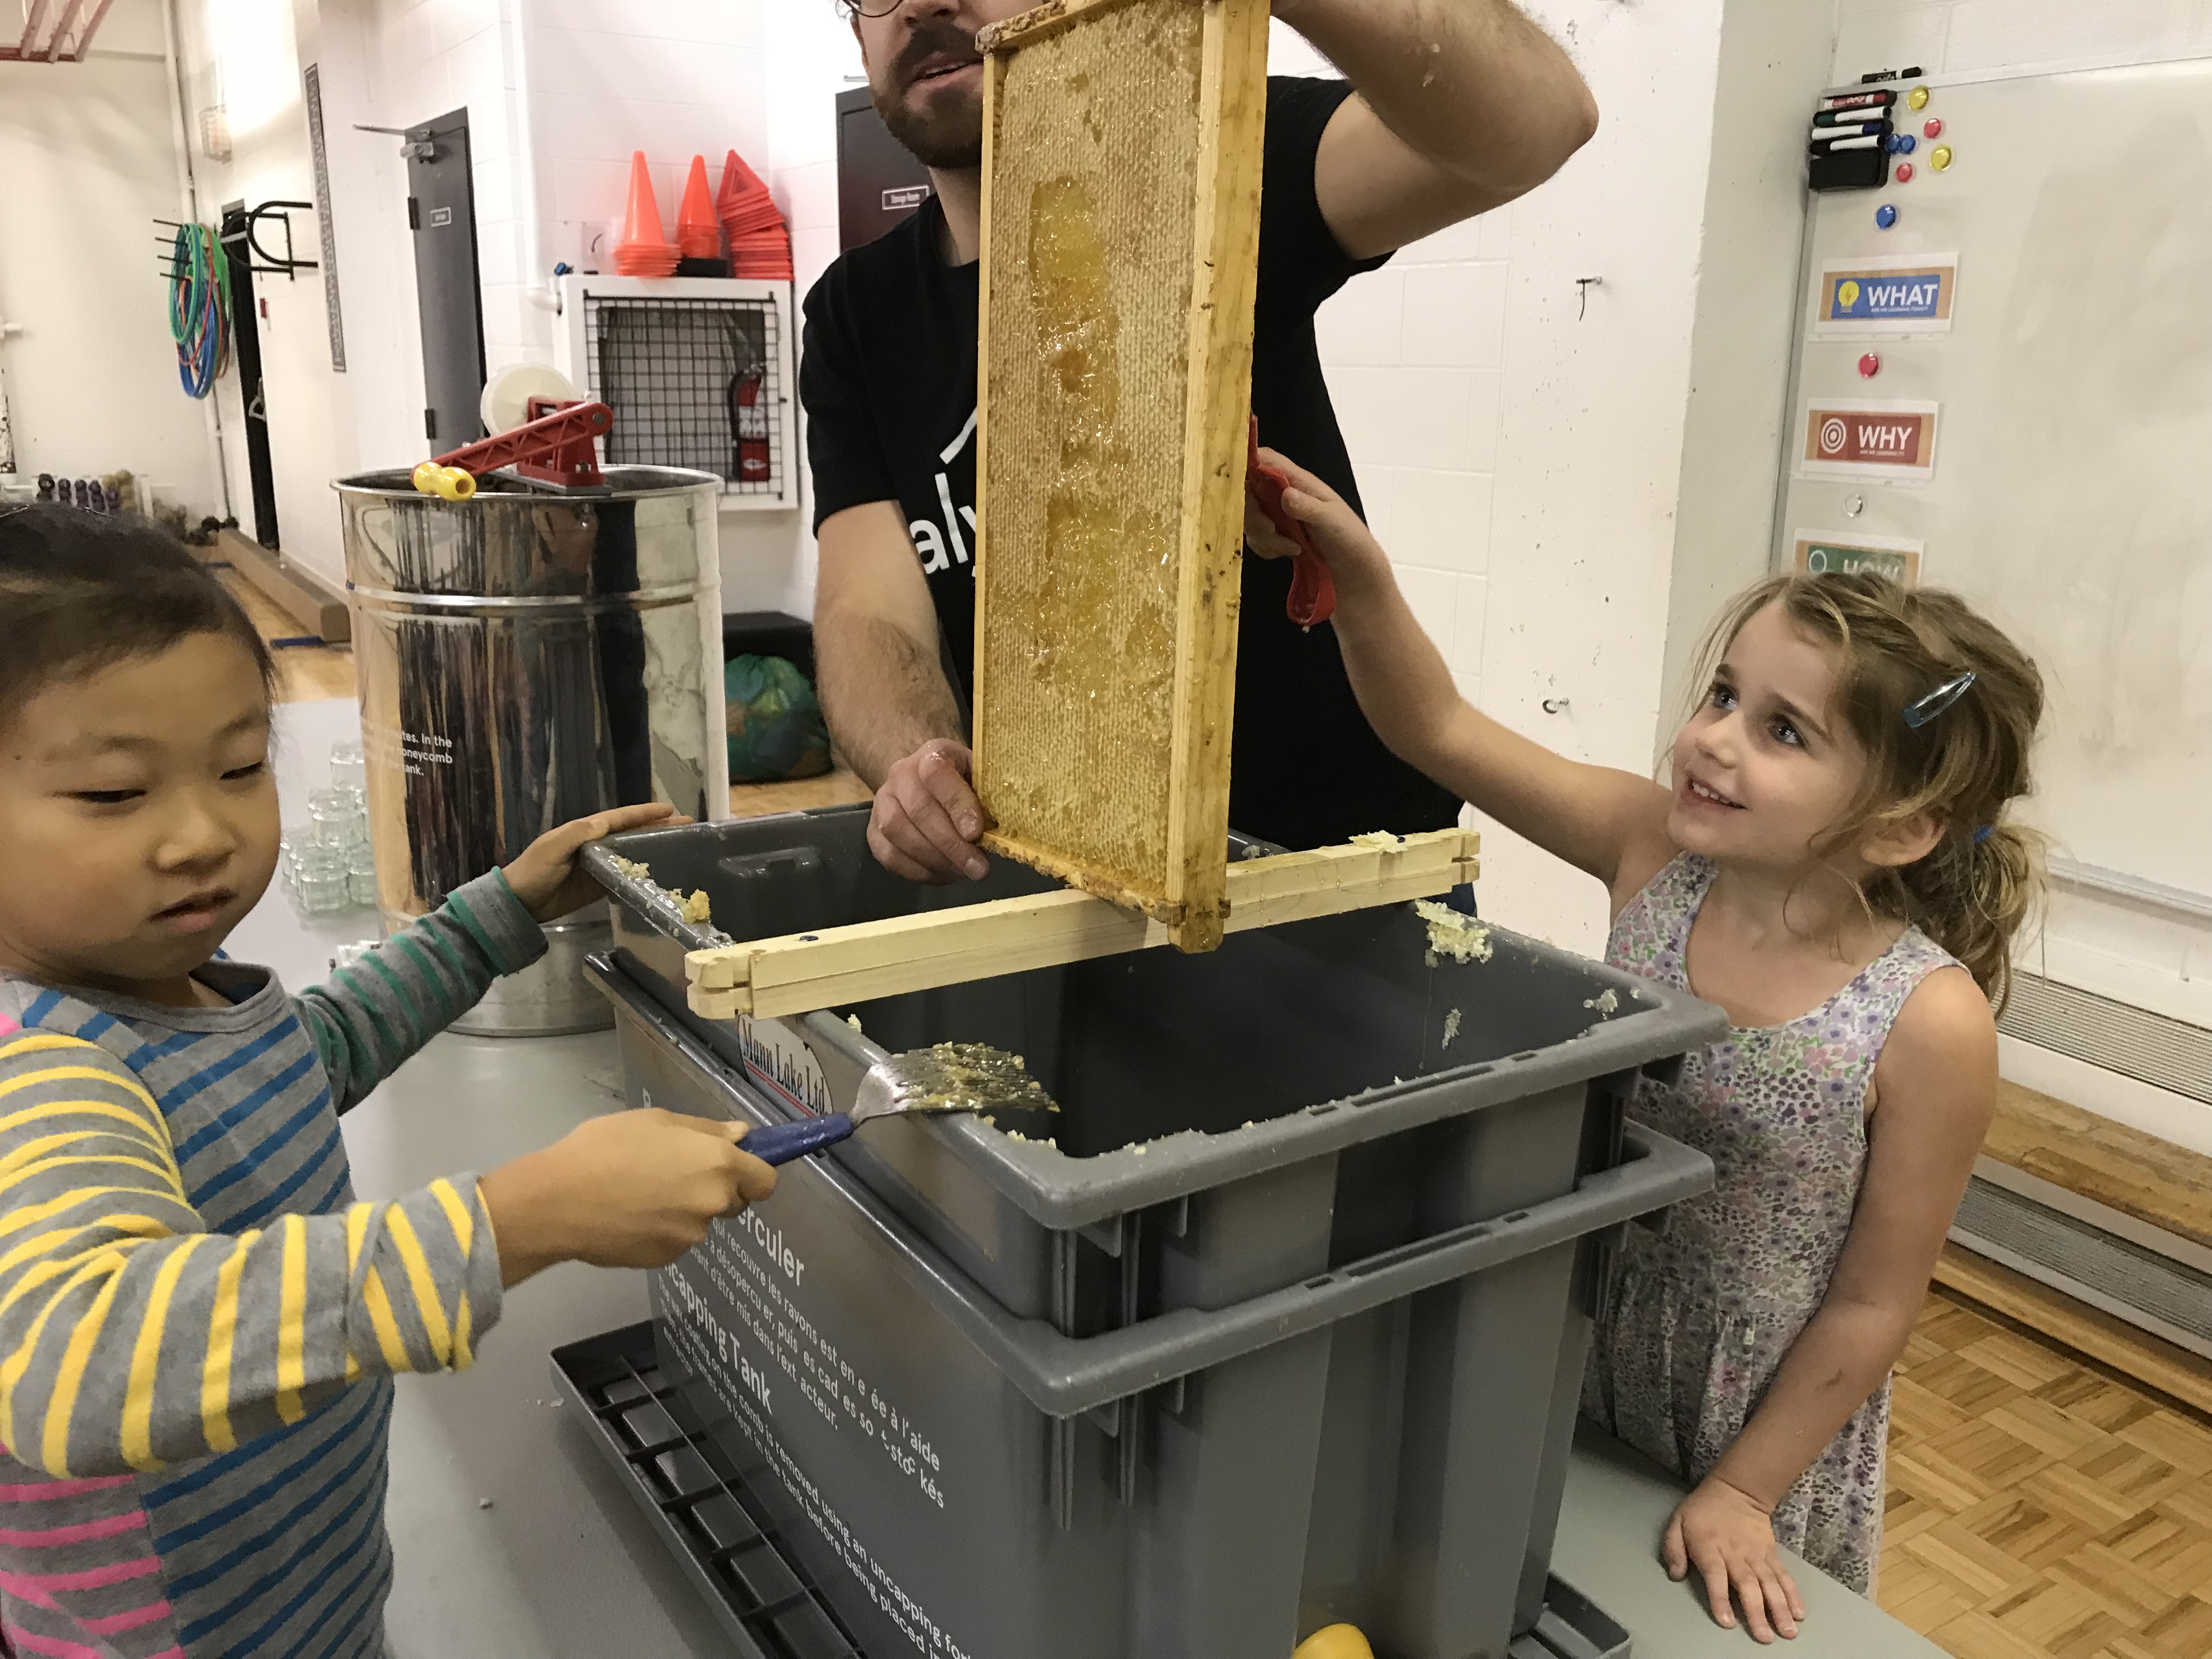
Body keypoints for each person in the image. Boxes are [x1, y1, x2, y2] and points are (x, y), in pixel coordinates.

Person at [1246, 452, 2044, 1641]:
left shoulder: (1928, 1021)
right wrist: (1358, 576)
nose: (1712, 740)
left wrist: (1747, 1490)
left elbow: (1875, 1304)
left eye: (1783, 731)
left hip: (1755, 1412)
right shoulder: (1651, 853)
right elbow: (1435, 727)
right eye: (1722, 696)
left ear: (1900, 828)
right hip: (1580, 1332)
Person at [0, 505, 777, 1658]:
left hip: (302, 1586)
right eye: (116, 794)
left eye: (239, 768)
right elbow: (82, 1359)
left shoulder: (169, 996)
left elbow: (305, 1059)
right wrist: (516, 1219)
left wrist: (496, 912)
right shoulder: (41, 1072)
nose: (202, 834)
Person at [803, 0, 1599, 882]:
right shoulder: (856, 314)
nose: (921, 3)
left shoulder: (1206, 161)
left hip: (1339, 878)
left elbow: (1541, 123)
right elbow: (867, 611)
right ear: (858, 37)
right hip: (1073, 880)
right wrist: (920, 763)